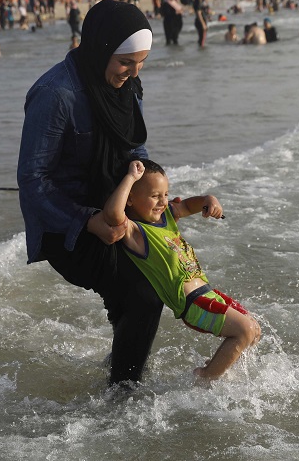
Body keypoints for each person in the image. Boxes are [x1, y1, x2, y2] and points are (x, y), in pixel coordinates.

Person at [17, 0, 164, 387]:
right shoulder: (55, 94)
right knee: (144, 296)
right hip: (68, 228)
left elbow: (135, 149)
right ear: (100, 47)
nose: (133, 73)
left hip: (118, 210)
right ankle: (124, 401)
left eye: (141, 63)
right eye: (125, 63)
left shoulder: (127, 86)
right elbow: (33, 181)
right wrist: (89, 220)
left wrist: (154, 195)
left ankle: (120, 374)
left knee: (152, 286)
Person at [102, 159, 260, 381]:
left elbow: (187, 206)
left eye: (165, 195)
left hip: (208, 293)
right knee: (243, 330)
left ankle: (222, 374)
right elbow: (112, 214)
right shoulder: (135, 232)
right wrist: (130, 178)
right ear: (130, 199)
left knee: (254, 330)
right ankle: (204, 379)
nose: (162, 202)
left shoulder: (166, 216)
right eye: (155, 196)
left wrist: (208, 199)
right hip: (192, 302)